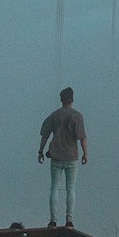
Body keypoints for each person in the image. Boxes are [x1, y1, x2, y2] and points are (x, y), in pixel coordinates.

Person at [38, 87, 88, 229]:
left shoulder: (55, 115)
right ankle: (69, 221)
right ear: (72, 99)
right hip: (72, 157)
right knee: (70, 188)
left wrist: (41, 151)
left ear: (61, 99)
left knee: (54, 188)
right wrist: (85, 154)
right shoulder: (77, 116)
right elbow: (82, 138)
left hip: (56, 156)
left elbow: (45, 135)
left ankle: (53, 220)